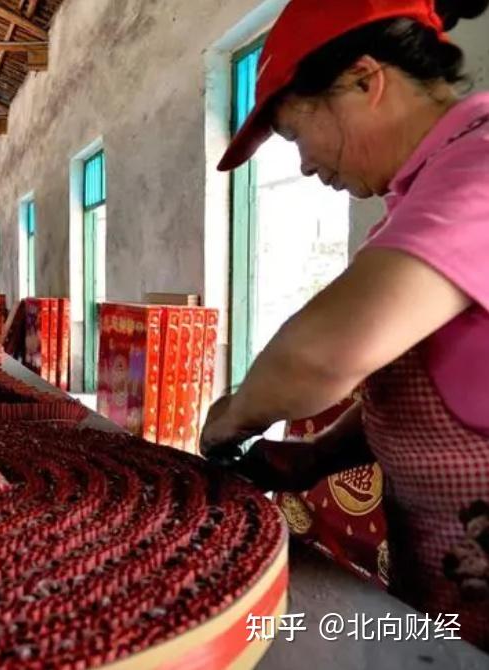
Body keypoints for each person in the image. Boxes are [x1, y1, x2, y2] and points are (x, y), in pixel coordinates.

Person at [200, 0, 489, 649]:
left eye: (298, 134)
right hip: (447, 601)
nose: (303, 165)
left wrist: (234, 417)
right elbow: (443, 385)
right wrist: (317, 454)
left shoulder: (482, 169)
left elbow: (322, 355)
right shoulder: (422, 193)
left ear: (365, 80)